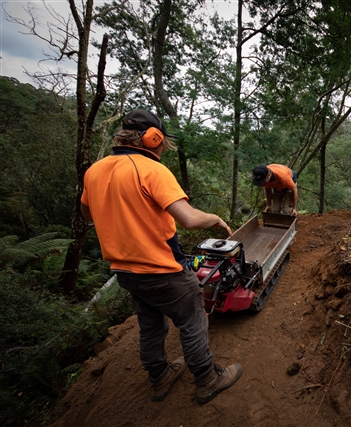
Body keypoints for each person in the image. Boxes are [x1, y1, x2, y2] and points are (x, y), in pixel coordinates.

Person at [80, 109, 242, 404]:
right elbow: (189, 220)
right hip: (162, 269)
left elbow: (87, 213)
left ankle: (159, 377)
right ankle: (207, 379)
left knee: (150, 323)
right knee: (193, 319)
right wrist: (215, 218)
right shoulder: (152, 170)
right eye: (162, 140)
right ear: (153, 138)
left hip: (125, 271)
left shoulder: (94, 171)